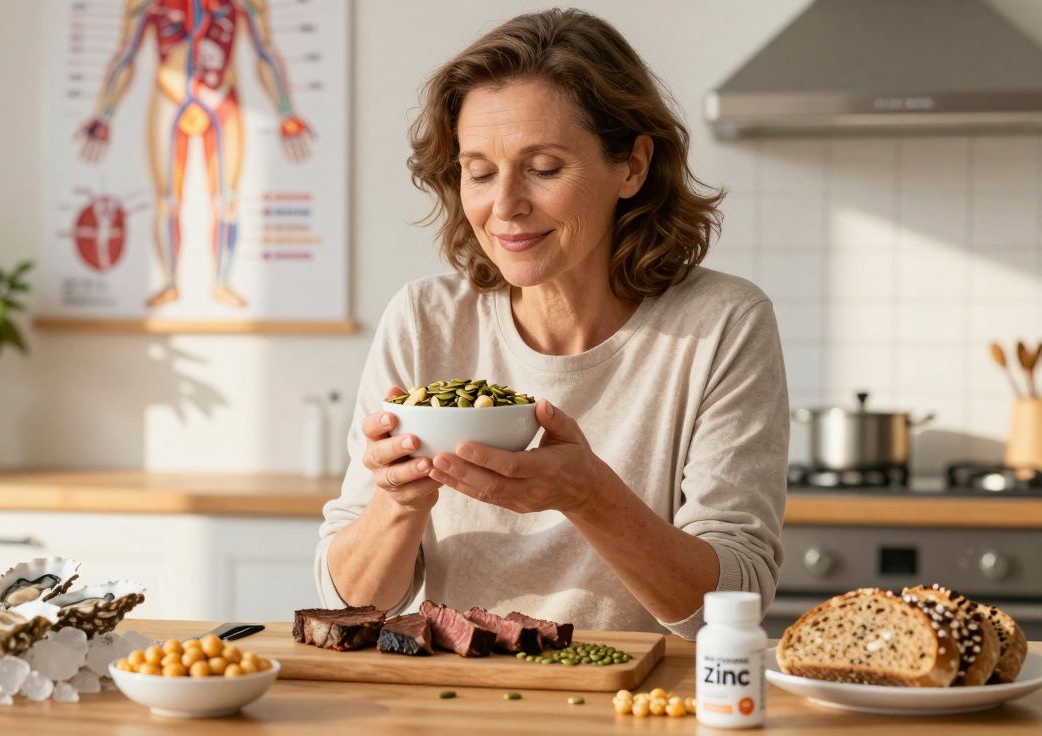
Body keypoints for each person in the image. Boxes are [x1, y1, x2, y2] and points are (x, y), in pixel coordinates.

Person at [315, 8, 788, 639]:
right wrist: (398, 503)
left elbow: (733, 603)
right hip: (464, 688)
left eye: (543, 169)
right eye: (480, 173)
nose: (504, 206)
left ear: (633, 166)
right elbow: (350, 603)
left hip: (645, 693)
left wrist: (589, 495)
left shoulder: (722, 323)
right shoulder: (425, 321)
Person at [77, 0, 315, 308]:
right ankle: (170, 282)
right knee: (167, 200)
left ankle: (222, 283)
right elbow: (126, 55)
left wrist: (286, 111)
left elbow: (265, 52)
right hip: (170, 96)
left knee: (227, 200)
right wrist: (105, 113)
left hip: (223, 97)